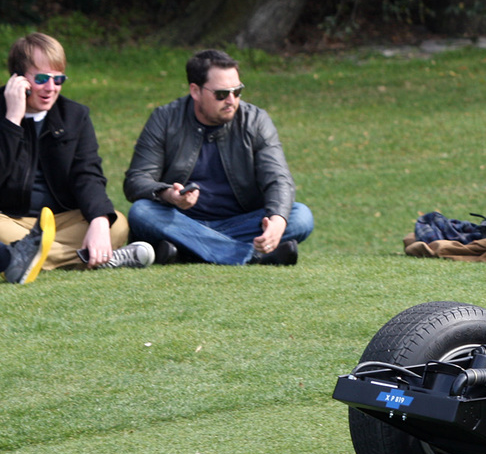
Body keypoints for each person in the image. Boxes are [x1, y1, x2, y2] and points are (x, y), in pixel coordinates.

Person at [123, 49, 313, 266]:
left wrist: (277, 222)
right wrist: (169, 195)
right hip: (181, 220)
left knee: (300, 216)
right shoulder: (165, 119)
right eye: (221, 94)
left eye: (237, 91)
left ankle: (187, 252)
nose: (231, 100)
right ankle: (250, 255)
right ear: (195, 91)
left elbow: (278, 179)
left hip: (240, 222)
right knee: (141, 212)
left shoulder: (256, 120)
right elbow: (136, 180)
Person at [1, 32, 149, 275]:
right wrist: (12, 123)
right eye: (41, 78)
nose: (51, 88)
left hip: (61, 221)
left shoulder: (74, 116)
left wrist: (100, 221)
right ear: (18, 78)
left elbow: (87, 173)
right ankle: (101, 257)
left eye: (58, 79)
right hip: (10, 220)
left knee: (117, 225)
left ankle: (20, 259)